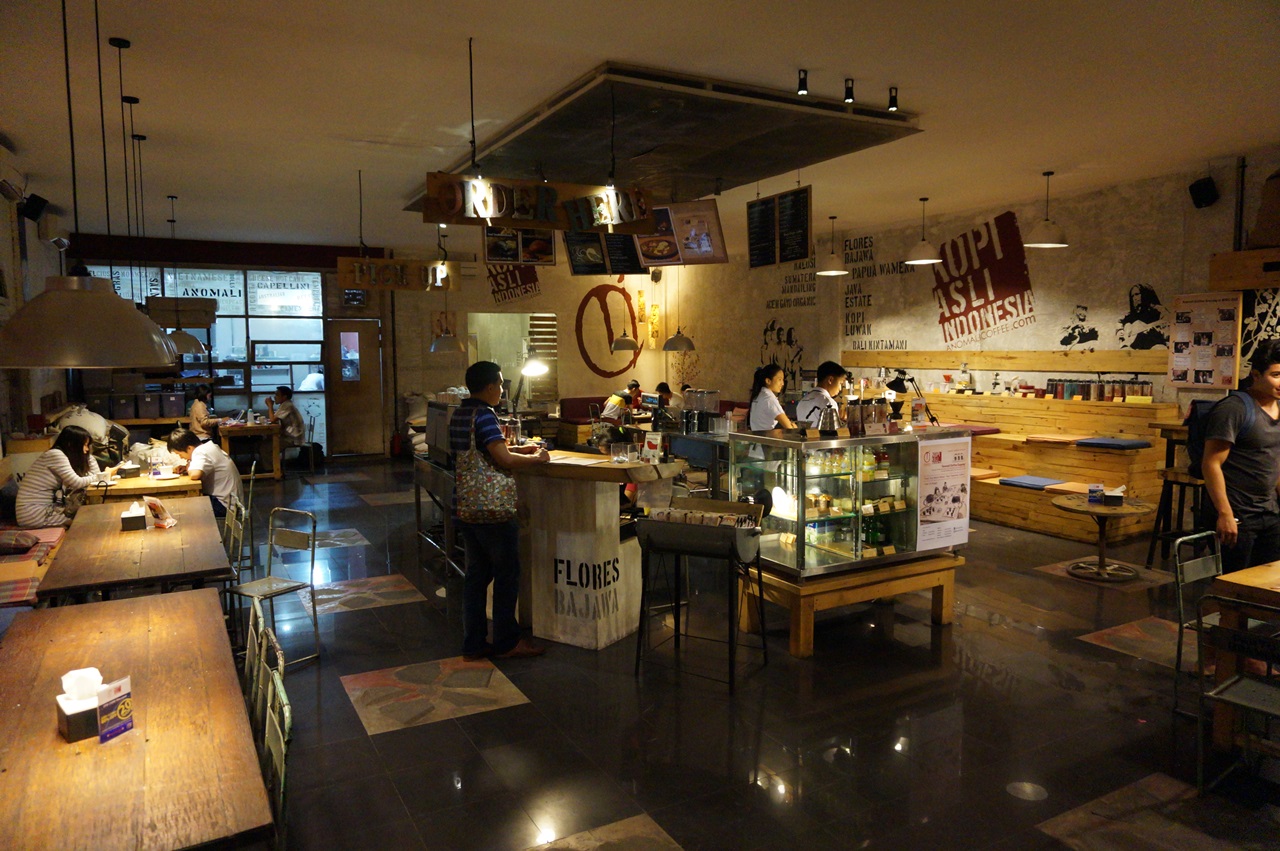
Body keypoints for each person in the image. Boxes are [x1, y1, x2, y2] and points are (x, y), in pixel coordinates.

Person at [450, 360, 550, 660]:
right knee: (507, 575)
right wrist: (536, 458)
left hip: (467, 505)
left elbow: (488, 451)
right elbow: (503, 461)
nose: (503, 389)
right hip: (493, 509)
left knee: (476, 576)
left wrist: (520, 449)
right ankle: (507, 642)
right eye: (501, 384)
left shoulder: (460, 413)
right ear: (490, 386)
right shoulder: (485, 415)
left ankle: (474, 643)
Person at [1200, 338, 1280, 573]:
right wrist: (1225, 514)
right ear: (1256, 375)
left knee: (1265, 582)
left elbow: (1275, 460)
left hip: (1270, 513)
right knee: (1231, 584)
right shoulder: (1234, 408)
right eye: (1276, 375)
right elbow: (1211, 463)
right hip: (1237, 515)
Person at [16, 425, 115, 528]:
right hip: (32, 512)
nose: (86, 449)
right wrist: (104, 475)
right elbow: (77, 482)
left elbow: (93, 475)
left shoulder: (63, 456)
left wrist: (88, 457)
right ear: (71, 444)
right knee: (83, 522)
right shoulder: (55, 455)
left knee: (87, 519)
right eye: (84, 445)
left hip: (43, 509)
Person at [167, 427, 244, 518]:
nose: (181, 457)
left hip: (224, 506)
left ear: (189, 448)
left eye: (180, 454)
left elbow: (195, 475)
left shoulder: (200, 452)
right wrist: (186, 467)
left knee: (183, 507)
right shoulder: (209, 446)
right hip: (232, 502)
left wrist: (188, 467)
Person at [795, 361, 847, 426]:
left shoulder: (802, 402)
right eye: (840, 383)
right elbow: (833, 430)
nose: (840, 388)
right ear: (830, 380)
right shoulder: (829, 403)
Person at [748, 363, 796, 431]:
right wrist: (794, 427)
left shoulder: (759, 396)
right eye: (779, 379)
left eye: (783, 380)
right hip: (767, 436)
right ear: (768, 381)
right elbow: (789, 427)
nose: (782, 383)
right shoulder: (769, 399)